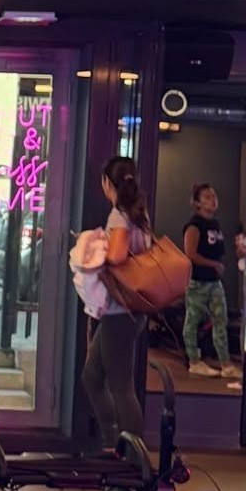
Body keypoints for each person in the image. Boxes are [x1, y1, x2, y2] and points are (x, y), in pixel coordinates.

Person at [81, 154, 153, 448]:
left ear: (106, 183)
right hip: (129, 309)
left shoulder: (119, 216)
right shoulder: (138, 214)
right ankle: (113, 441)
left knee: (121, 386)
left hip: (119, 312)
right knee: (92, 376)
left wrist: (98, 250)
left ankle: (131, 453)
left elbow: (117, 256)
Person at [183, 183, 238, 379]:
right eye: (207, 197)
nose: (213, 200)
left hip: (214, 282)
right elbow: (190, 253)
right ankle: (194, 361)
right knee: (193, 321)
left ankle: (226, 364)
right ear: (197, 202)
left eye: (214, 196)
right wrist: (213, 264)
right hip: (197, 282)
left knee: (220, 320)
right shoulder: (194, 225)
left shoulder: (215, 224)